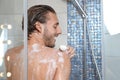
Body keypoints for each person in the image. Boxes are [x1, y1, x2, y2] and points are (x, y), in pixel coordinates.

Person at [5, 5, 75, 80]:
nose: (59, 31)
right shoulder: (60, 58)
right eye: (55, 26)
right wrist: (62, 58)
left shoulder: (10, 54)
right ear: (39, 27)